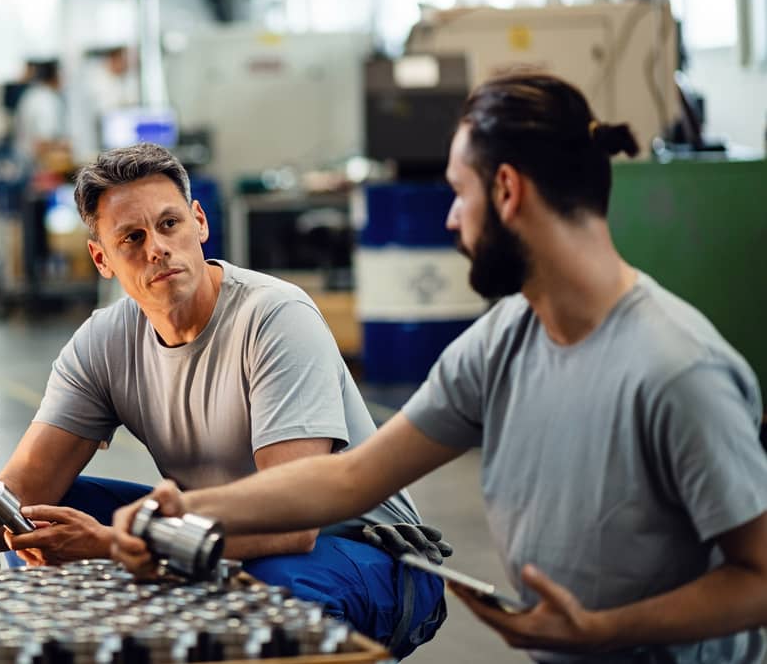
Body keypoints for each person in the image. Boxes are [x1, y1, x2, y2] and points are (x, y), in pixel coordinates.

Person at [110, 74, 767, 662]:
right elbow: (352, 478)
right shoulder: (505, 340)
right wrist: (190, 509)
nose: (452, 218)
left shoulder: (677, 370)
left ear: (507, 191)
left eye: (459, 192)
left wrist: (605, 631)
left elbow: (759, 577)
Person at [0, 142, 449, 657]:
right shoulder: (103, 341)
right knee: (47, 517)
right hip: (223, 539)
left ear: (199, 222)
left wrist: (115, 543)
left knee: (262, 591)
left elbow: (293, 526)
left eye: (169, 224)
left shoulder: (274, 318)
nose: (156, 247)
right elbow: (20, 503)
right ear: (101, 259)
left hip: (367, 557)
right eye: (131, 237)